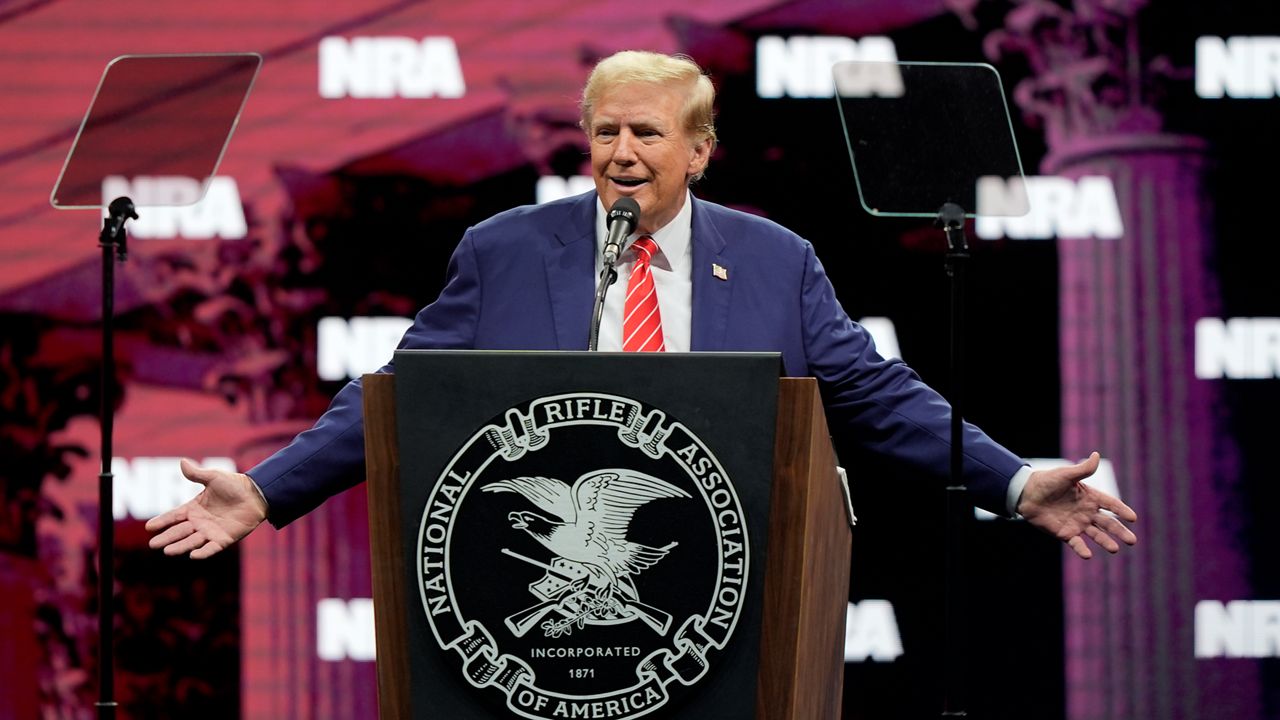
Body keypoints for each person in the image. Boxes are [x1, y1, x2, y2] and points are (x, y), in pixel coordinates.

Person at [148, 50, 1136, 562]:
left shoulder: (774, 262)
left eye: (648, 134)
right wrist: (271, 489)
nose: (622, 153)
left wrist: (1009, 480)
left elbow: (878, 399)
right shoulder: (503, 255)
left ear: (699, 150)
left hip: (727, 588)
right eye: (605, 132)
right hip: (534, 599)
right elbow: (398, 396)